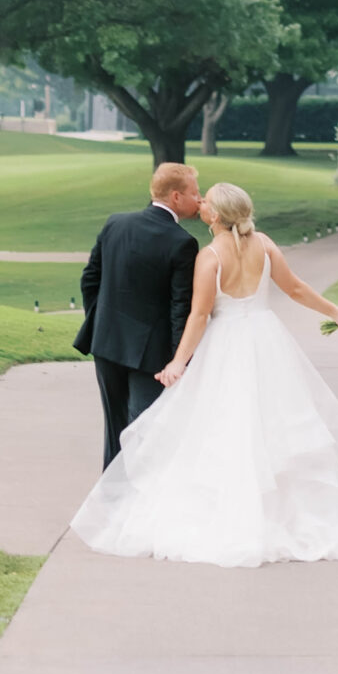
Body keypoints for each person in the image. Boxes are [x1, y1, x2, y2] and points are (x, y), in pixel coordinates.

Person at [70, 179, 338, 567]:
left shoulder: (210, 256)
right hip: (265, 343)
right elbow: (297, 289)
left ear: (215, 215)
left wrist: (177, 363)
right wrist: (337, 312)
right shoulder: (265, 245)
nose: (200, 203)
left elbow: (200, 316)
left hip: (223, 348)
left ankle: (227, 516)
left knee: (217, 430)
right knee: (271, 429)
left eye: (206, 202)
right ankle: (277, 515)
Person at [74, 160, 203, 469]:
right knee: (145, 432)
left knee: (115, 430)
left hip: (107, 344)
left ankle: (110, 504)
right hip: (151, 357)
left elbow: (89, 280)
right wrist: (179, 361)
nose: (199, 199)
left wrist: (102, 321)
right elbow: (180, 307)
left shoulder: (115, 223)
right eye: (195, 192)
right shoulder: (183, 243)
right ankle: (135, 507)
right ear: (175, 196)